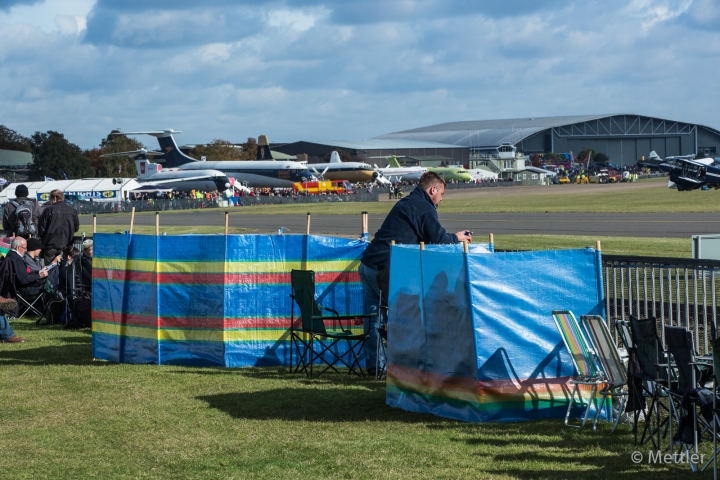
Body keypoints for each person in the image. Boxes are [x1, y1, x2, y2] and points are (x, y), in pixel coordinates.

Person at [359, 172, 473, 375]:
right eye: (442, 194)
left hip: (368, 264)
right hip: (385, 267)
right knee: (403, 317)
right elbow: (437, 240)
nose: (441, 199)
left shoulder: (407, 202)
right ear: (433, 190)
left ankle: (376, 366)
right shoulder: (424, 207)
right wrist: (457, 238)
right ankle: (405, 367)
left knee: (374, 319)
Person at [38, 190, 80, 264]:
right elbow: (76, 228)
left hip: (50, 245)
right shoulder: (72, 211)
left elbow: (41, 229)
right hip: (67, 244)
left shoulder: (48, 210)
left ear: (54, 198)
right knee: (65, 268)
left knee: (50, 269)